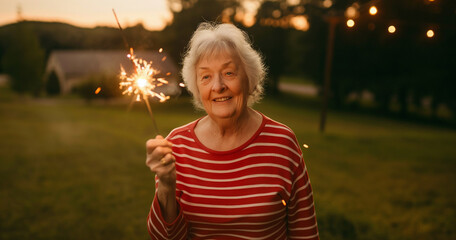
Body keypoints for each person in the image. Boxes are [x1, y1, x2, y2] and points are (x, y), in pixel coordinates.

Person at [145, 22, 319, 239]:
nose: (218, 86)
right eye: (206, 77)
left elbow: (305, 233)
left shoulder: (282, 142)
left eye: (229, 73)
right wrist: (166, 187)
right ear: (197, 88)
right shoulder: (176, 146)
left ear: (250, 79)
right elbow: (165, 238)